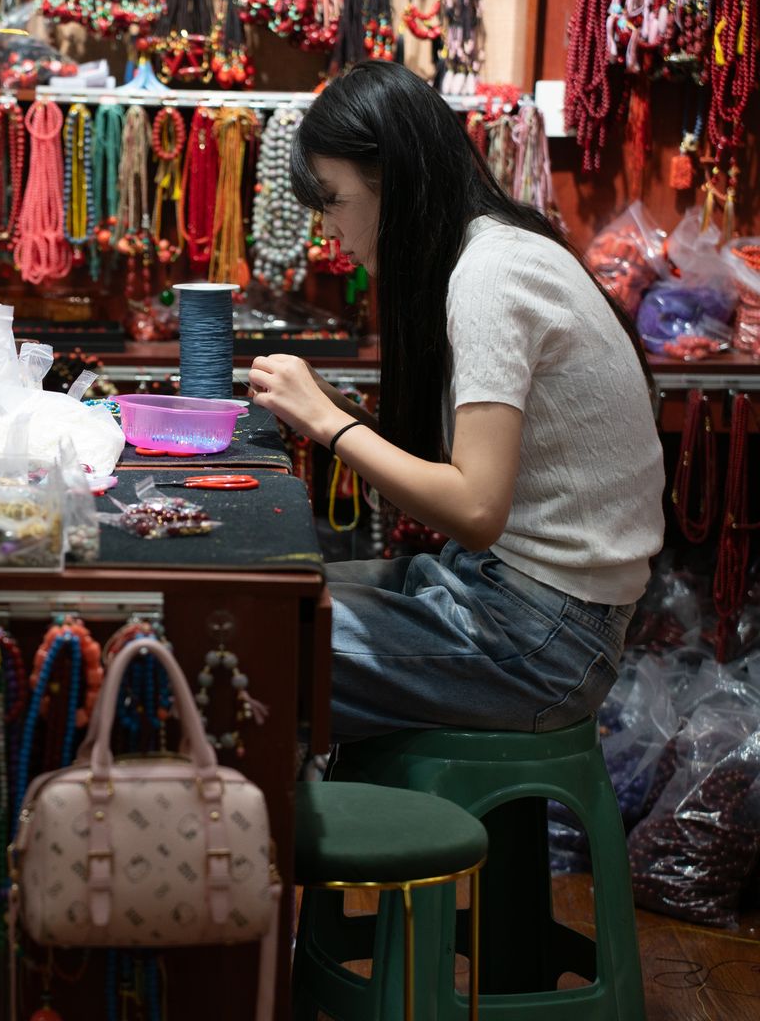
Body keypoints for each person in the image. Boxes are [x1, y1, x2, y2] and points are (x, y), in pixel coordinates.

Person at [247, 61, 665, 743]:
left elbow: (474, 509)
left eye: (332, 199)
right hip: (509, 595)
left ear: (394, 182)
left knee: (238, 649)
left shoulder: (490, 276)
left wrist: (329, 423)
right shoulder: (494, 252)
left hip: (545, 640)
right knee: (261, 598)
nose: (328, 230)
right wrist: (337, 412)